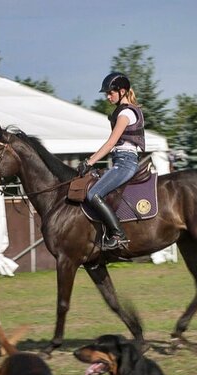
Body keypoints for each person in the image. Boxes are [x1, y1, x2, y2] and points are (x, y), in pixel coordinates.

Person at [76, 72, 145, 250]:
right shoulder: (121, 112)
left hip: (125, 162)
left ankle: (118, 235)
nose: (107, 97)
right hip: (119, 160)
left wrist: (89, 162)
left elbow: (111, 143)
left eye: (110, 93)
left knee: (93, 194)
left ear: (122, 91)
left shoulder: (126, 113)